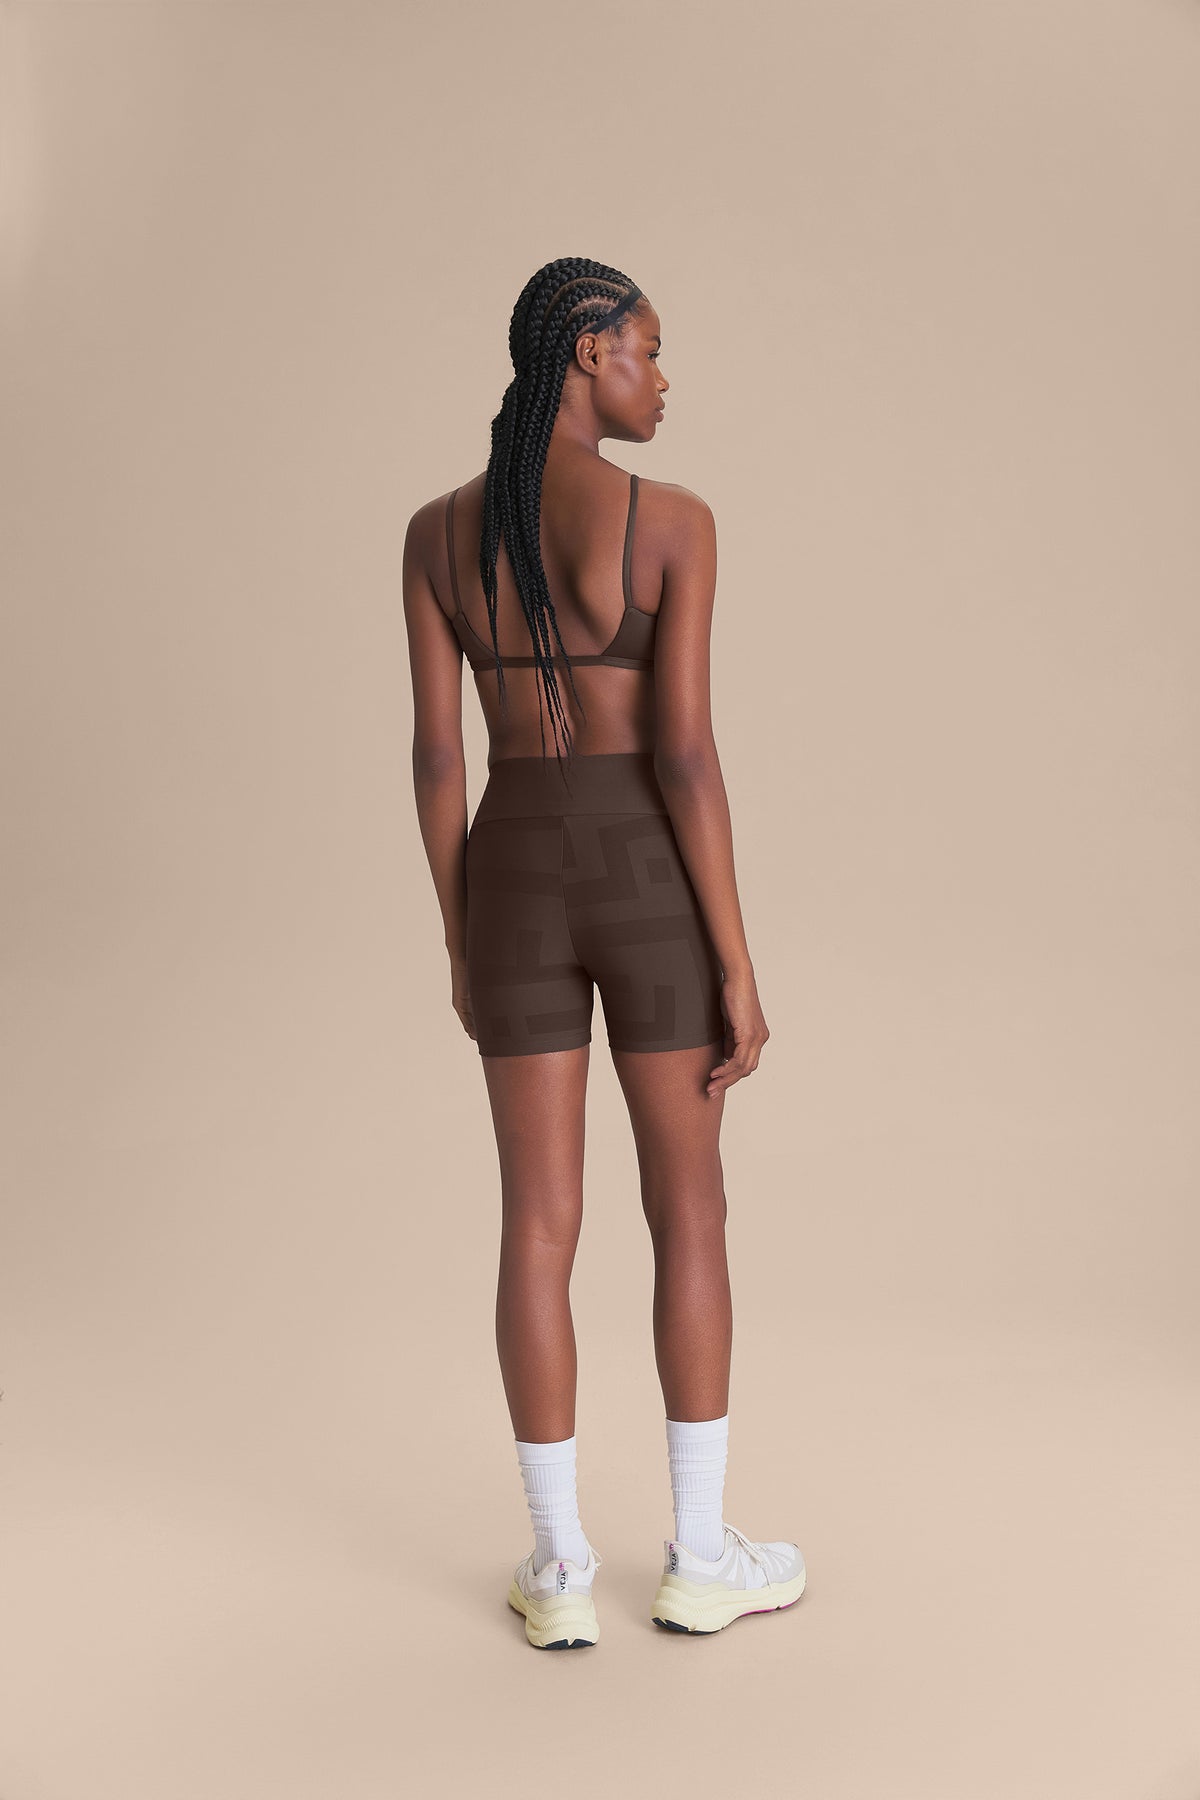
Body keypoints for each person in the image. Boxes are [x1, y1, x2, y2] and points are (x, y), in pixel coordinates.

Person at [402, 257, 806, 1648]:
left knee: (537, 1221)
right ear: (585, 352)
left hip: (511, 872)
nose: (661, 377)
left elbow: (437, 759)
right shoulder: (671, 522)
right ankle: (698, 1556)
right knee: (689, 1211)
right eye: (647, 347)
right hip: (644, 878)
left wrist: (462, 934)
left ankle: (560, 1569)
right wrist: (736, 963)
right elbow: (686, 757)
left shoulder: (437, 533)